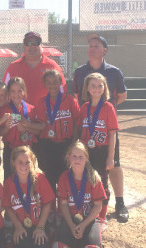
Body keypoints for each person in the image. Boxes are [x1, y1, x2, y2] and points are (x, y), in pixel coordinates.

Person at [72, 33, 128, 222]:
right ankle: (91, 203)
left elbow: (121, 96)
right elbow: (76, 96)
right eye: (90, 45)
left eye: (96, 45)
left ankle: (119, 202)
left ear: (104, 50)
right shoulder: (79, 71)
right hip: (87, 131)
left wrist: (105, 111)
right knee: (89, 169)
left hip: (105, 132)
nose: (91, 48)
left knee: (113, 165)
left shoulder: (114, 71)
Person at [78, 72, 119, 223]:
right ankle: (88, 212)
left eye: (100, 85)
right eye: (93, 86)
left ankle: (102, 217)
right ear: (87, 88)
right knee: (85, 181)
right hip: (85, 151)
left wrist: (110, 157)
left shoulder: (108, 107)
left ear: (104, 88)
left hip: (101, 151)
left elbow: (113, 134)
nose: (96, 88)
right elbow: (79, 131)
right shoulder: (84, 107)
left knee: (101, 183)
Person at [55, 140, 106, 248]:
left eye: (80, 156)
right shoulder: (64, 177)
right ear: (68, 157)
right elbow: (63, 204)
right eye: (74, 156)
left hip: (89, 220)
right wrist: (71, 225)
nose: (77, 159)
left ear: (86, 158)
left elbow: (98, 205)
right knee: (60, 245)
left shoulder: (93, 178)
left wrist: (83, 225)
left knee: (92, 245)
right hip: (69, 219)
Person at [34, 69, 79, 192]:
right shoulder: (42, 102)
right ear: (44, 84)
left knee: (65, 175)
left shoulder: (69, 100)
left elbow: (76, 122)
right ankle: (52, 207)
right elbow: (41, 124)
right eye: (48, 82)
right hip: (48, 144)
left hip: (66, 144)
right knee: (49, 175)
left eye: (55, 82)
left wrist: (74, 142)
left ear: (60, 82)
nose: (52, 85)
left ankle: (64, 206)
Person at [3, 146, 55, 248]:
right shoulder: (9, 183)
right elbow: (8, 207)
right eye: (20, 162)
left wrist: (40, 227)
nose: (24, 165)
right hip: (20, 226)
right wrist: (18, 227)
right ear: (13, 162)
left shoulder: (40, 179)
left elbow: (48, 203)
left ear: (32, 162)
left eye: (27, 162)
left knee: (40, 243)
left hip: (40, 224)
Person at [3, 31, 67, 107]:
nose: (32, 46)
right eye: (28, 43)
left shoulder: (52, 65)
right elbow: (3, 92)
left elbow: (62, 91)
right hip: (20, 114)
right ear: (24, 46)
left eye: (36, 43)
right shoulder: (13, 67)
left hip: (47, 114)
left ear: (41, 46)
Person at [0, 77, 39, 180]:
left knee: (29, 179)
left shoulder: (31, 109)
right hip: (10, 150)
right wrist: (7, 127)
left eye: (19, 91)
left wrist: (27, 127)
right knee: (10, 179)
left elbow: (37, 131)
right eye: (13, 91)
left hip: (27, 150)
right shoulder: (4, 110)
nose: (16, 94)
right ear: (8, 93)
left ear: (24, 92)